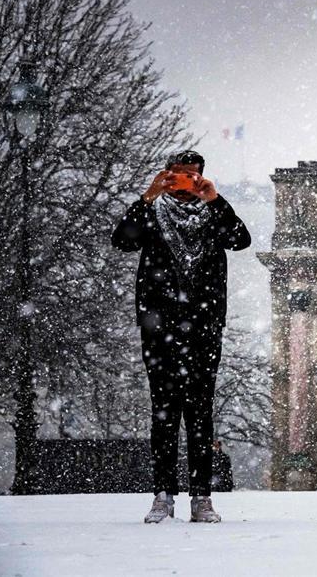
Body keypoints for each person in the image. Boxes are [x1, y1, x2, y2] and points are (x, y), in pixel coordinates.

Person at [112, 150, 250, 523]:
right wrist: (148, 195)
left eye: (192, 175)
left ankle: (201, 496)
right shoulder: (153, 212)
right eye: (177, 175)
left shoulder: (213, 212)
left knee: (200, 413)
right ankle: (163, 494)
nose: (185, 183)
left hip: (203, 325)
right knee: (164, 413)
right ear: (166, 175)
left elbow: (240, 239)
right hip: (160, 327)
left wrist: (215, 199)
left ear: (202, 176)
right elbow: (123, 240)